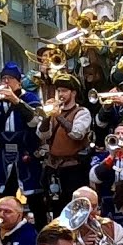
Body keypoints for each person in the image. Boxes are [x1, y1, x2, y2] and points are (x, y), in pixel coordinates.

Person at [0, 62, 47, 223]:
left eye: (10, 79)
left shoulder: (29, 98)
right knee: (5, 197)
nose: (6, 82)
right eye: (3, 78)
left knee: (34, 197)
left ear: (19, 82)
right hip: (3, 155)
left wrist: (16, 101)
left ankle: (40, 233)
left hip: (26, 153)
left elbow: (35, 122)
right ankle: (7, 231)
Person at [36, 72, 92, 216]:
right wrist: (47, 117)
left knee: (74, 209)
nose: (60, 94)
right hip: (53, 168)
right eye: (59, 91)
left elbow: (77, 133)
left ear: (73, 93)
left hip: (73, 170)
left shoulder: (82, 112)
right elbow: (42, 134)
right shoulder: (54, 113)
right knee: (54, 208)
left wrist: (58, 116)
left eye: (64, 91)